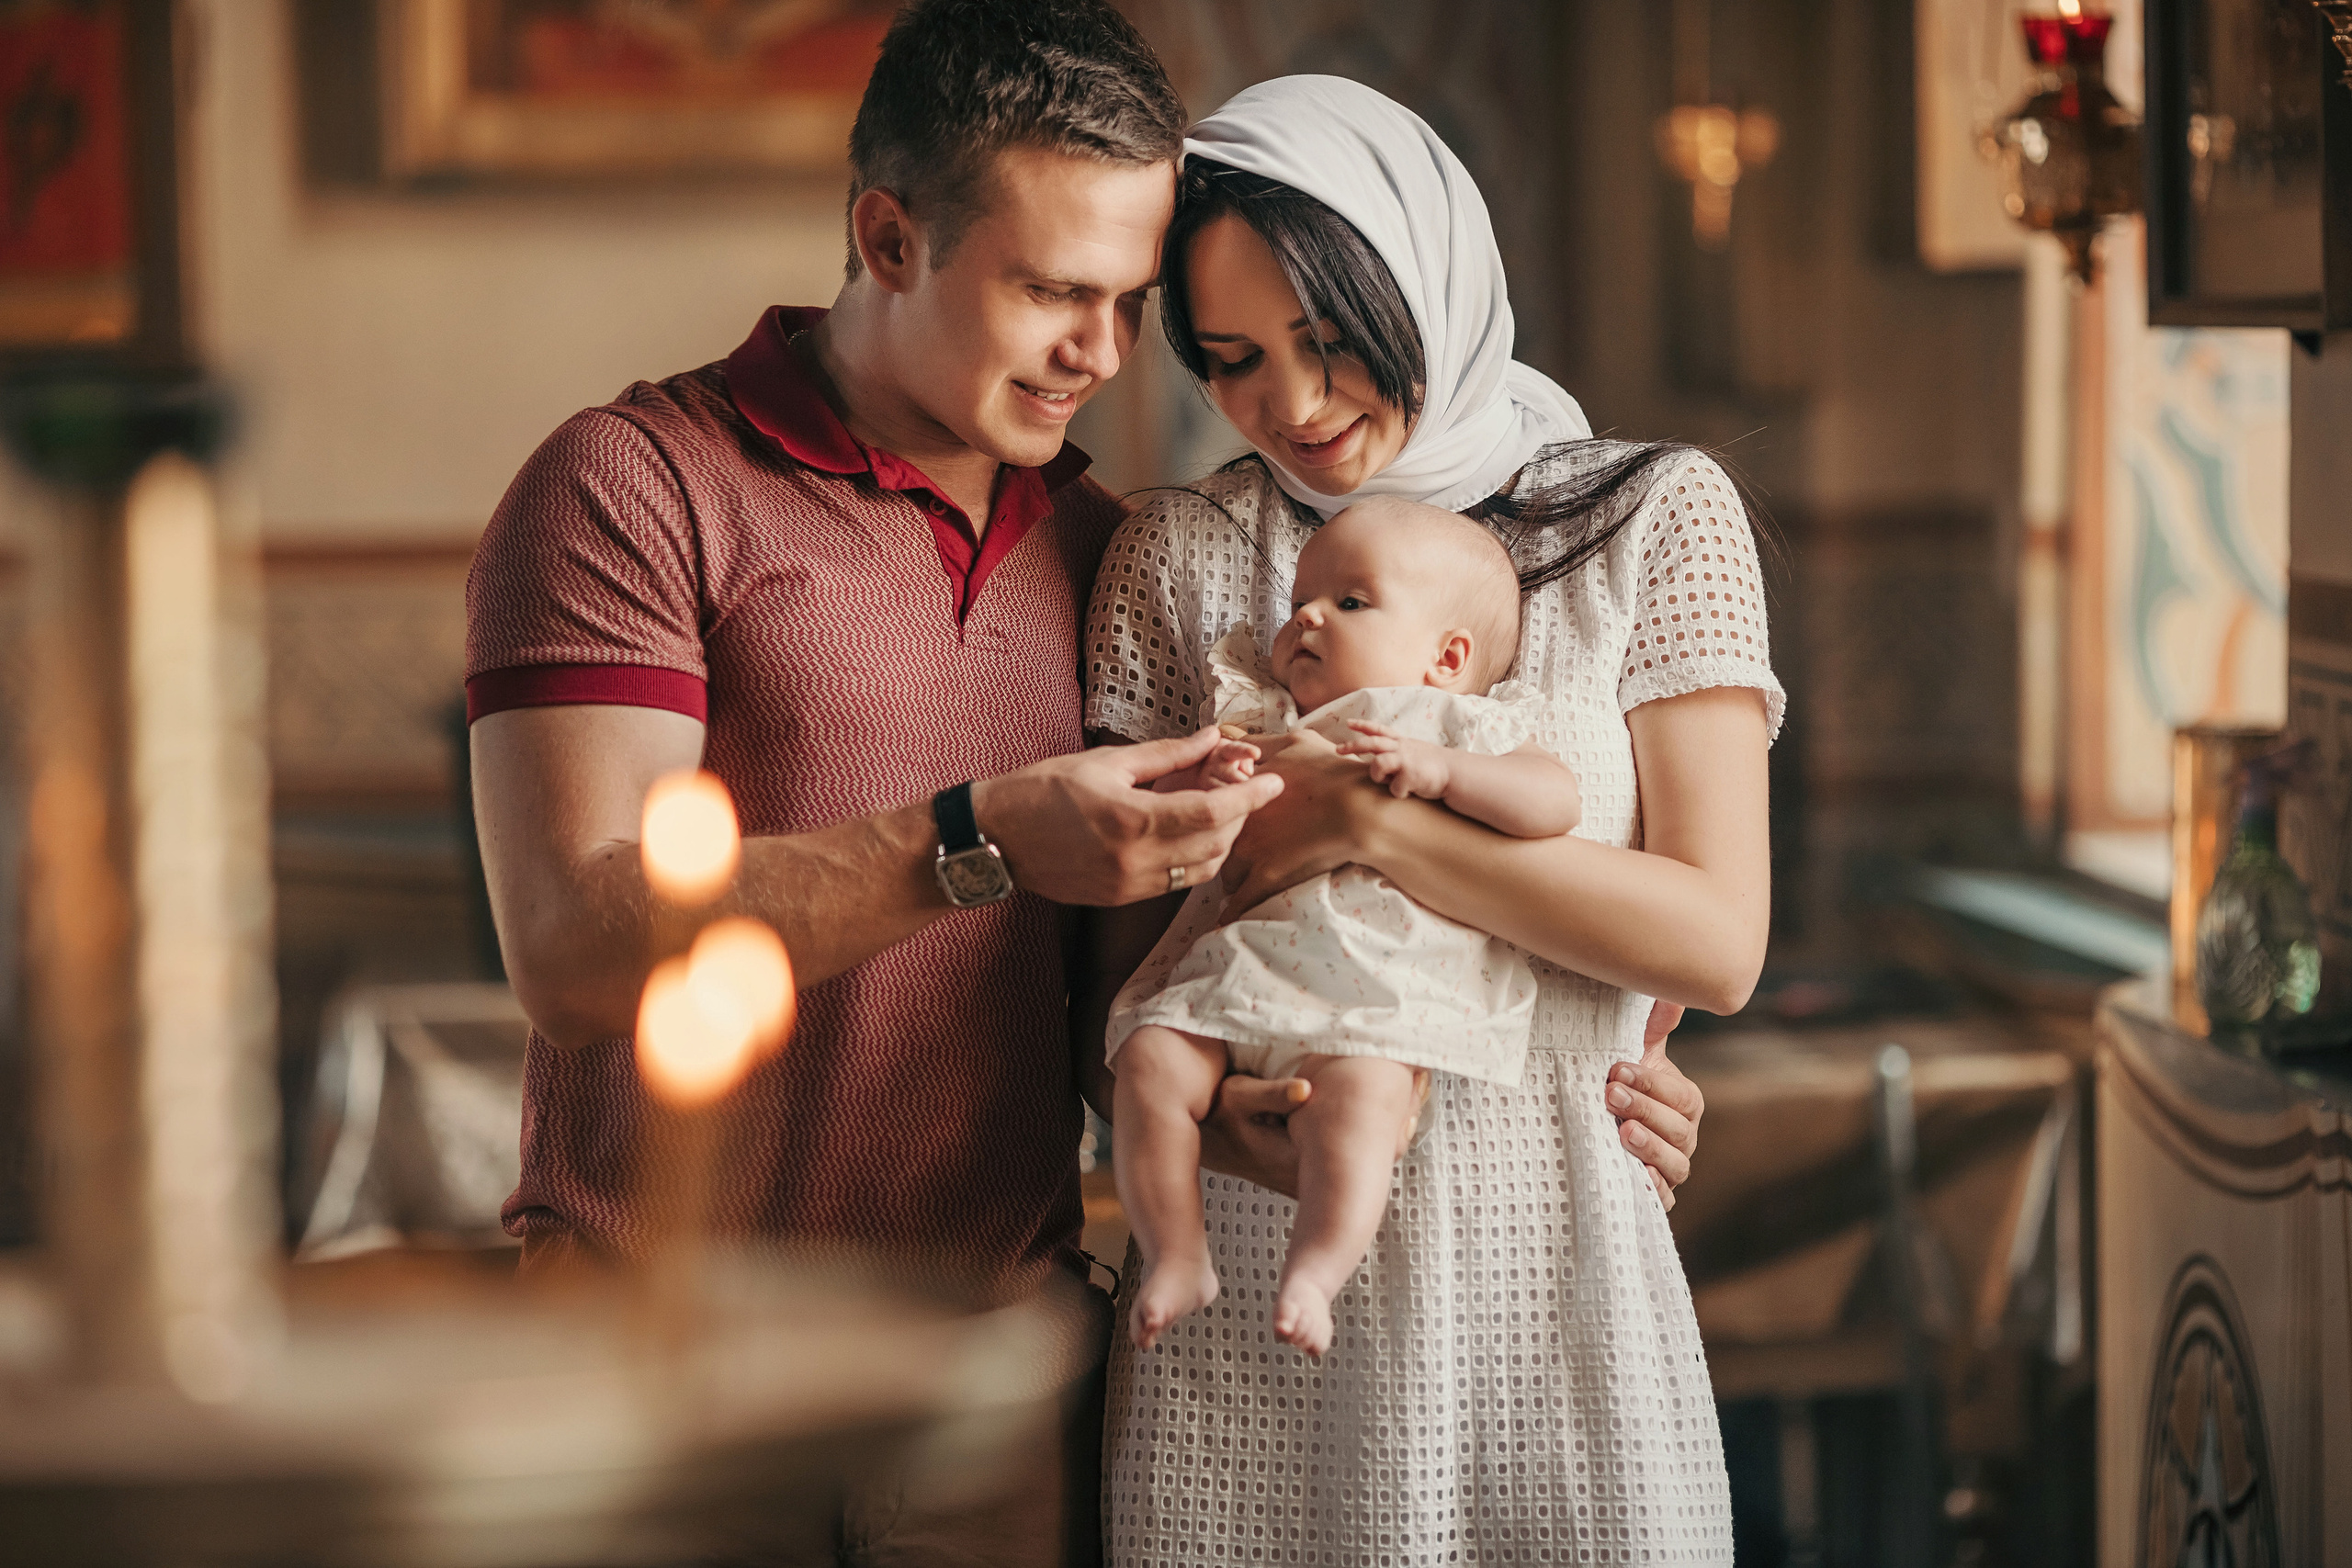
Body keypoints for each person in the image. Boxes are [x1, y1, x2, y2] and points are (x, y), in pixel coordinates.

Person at [1080, 76, 1781, 1563]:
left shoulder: (1651, 521)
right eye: (1236, 363)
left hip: (1560, 1275)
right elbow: (1120, 990)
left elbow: (1714, 941)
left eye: (1330, 341)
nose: (1296, 406)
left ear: (1434, 280)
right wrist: (1222, 1126)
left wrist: (1362, 822)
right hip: (1257, 1308)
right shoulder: (1181, 560)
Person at [1108, 497, 1581, 1359]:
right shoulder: (1261, 717)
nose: (1306, 618)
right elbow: (1167, 821)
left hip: (1375, 1002)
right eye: (1299, 601)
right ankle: (1177, 1252)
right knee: (1147, 1058)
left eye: (1350, 602)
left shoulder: (1460, 726)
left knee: (1363, 1106)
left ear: (1447, 658)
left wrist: (1443, 774)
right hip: (1242, 977)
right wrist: (1208, 779)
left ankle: (1318, 1269)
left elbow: (1554, 801)